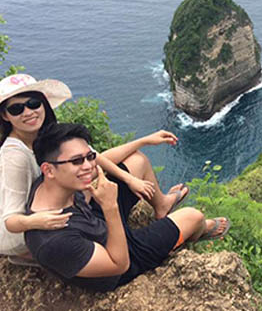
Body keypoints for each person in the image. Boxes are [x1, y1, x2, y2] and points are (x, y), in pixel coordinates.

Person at [0, 73, 188, 263]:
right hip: (32, 229)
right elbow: (11, 221)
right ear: (5, 115)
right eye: (16, 109)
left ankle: (162, 204)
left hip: (66, 204)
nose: (28, 112)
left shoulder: (45, 134)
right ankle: (33, 256)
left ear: (43, 103)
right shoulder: (15, 157)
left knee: (136, 161)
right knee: (188, 218)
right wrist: (38, 222)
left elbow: (94, 157)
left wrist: (141, 147)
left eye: (33, 103)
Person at [25, 122, 230, 291]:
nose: (88, 166)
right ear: (48, 169)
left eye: (89, 157)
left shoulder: (50, 185)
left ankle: (162, 206)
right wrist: (110, 207)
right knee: (193, 216)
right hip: (118, 260)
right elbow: (118, 264)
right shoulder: (52, 241)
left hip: (97, 223)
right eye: (77, 161)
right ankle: (200, 231)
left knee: (137, 161)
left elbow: (105, 158)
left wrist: (143, 140)